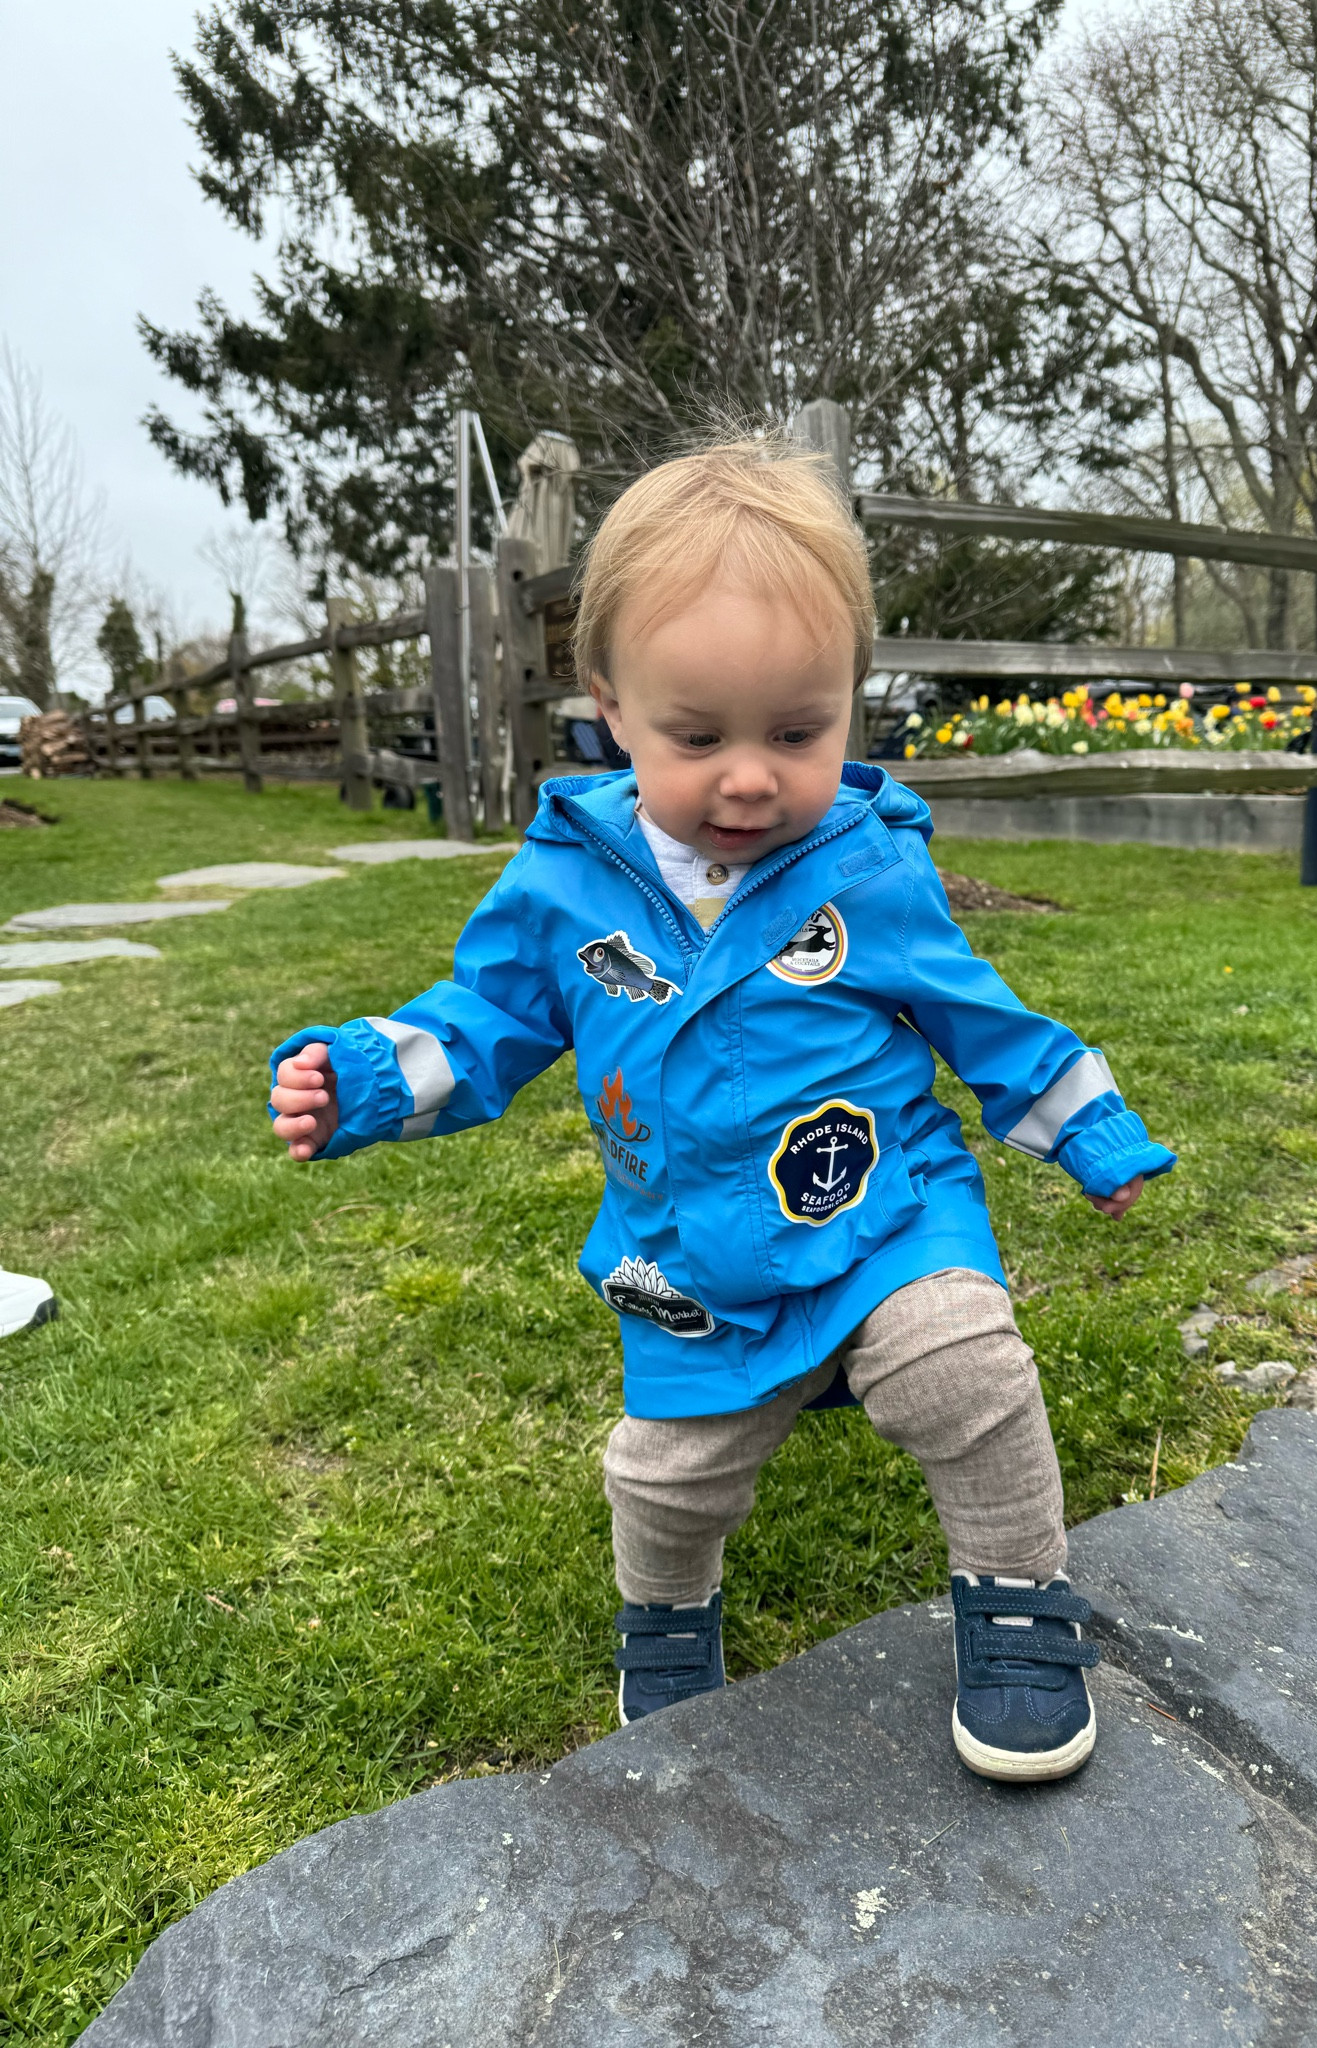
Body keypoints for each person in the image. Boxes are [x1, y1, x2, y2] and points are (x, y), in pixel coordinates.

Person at [268, 441, 1175, 1782]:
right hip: (688, 1254)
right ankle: (669, 1624)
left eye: (799, 732)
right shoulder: (566, 888)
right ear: (611, 709)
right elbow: (484, 1023)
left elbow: (977, 1016)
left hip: (885, 1208)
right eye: (699, 738)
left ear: (850, 706)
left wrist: (1084, 1126)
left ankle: (1021, 1599)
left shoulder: (863, 868)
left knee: (964, 1371)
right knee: (663, 1477)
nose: (751, 778)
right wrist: (362, 1077)